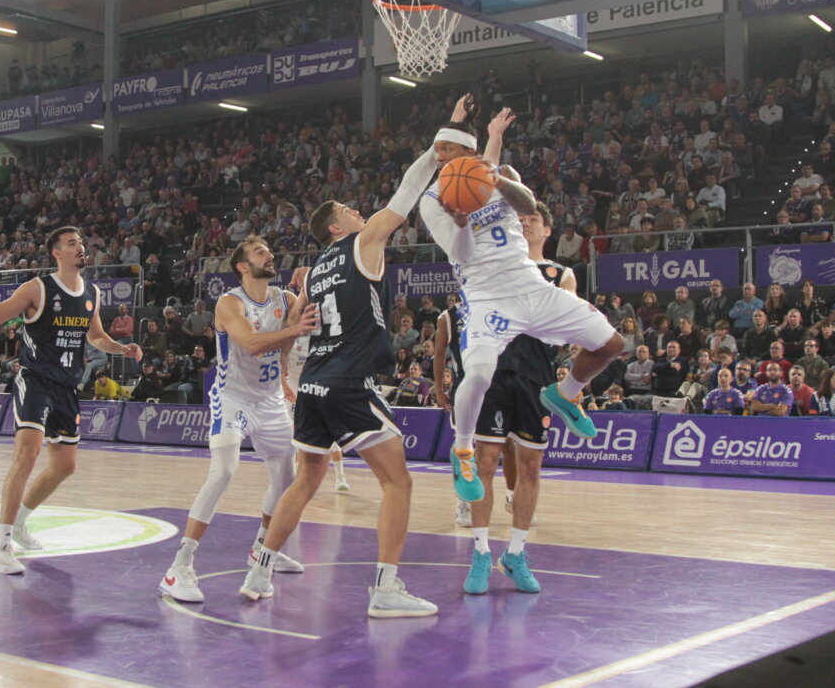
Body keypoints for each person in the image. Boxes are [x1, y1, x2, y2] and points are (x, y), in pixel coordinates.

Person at [240, 97, 456, 619]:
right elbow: (405, 197)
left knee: (307, 478)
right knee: (398, 480)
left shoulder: (313, 270)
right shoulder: (362, 245)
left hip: (314, 382)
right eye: (349, 211)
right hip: (345, 380)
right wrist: (433, 154)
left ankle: (258, 569)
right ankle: (385, 589)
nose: (360, 212)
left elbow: (306, 323)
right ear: (337, 227)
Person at [418, 105, 622, 504]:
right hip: (486, 295)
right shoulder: (432, 199)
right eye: (437, 151)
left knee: (612, 345)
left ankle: (564, 394)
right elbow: (460, 254)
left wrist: (501, 179)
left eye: (444, 150)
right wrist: (460, 222)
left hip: (529, 282)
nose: (438, 157)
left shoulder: (496, 173)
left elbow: (528, 205)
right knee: (477, 375)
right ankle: (462, 452)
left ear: (466, 152)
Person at [0, 227, 143, 575]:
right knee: (27, 455)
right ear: (56, 253)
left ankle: (21, 522)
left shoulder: (91, 292)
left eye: (82, 243)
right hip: (36, 380)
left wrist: (121, 348)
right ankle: (1, 543)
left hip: (68, 387)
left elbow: (97, 336)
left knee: (65, 466)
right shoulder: (37, 289)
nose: (81, 248)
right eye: (72, 244)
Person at [159, 237, 317, 603]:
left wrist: (310, 283)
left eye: (269, 250)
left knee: (286, 479)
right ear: (243, 267)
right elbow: (252, 342)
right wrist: (291, 333)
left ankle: (262, 549)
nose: (270, 254)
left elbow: (303, 317)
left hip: (271, 401)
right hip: (232, 399)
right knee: (224, 471)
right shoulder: (230, 303)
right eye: (260, 251)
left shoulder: (284, 298)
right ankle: (178, 568)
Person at [459, 200, 574, 595]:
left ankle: (517, 553)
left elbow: (564, 330)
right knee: (485, 462)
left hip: (536, 377)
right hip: (493, 371)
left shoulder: (562, 274)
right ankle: (479, 554)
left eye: (533, 220)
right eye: (519, 220)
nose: (525, 225)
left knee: (531, 466)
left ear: (547, 231)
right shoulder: (496, 264)